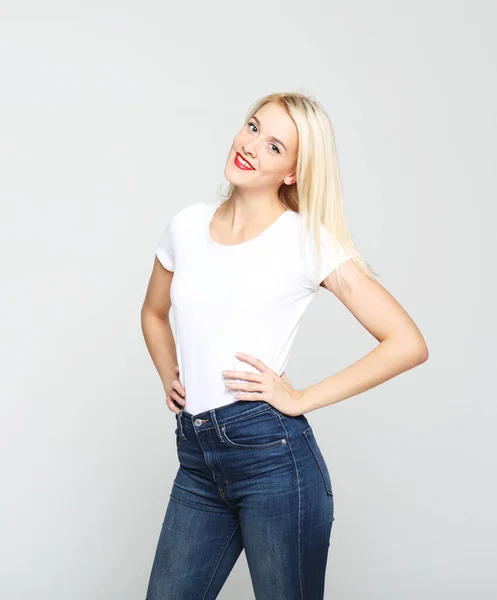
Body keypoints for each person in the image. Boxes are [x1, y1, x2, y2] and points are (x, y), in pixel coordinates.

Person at [141, 92, 429, 599]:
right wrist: (171, 374)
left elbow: (406, 342)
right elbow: (153, 312)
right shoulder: (186, 226)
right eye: (252, 127)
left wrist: (300, 398)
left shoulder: (307, 241)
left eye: (274, 147)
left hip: (272, 458)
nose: (250, 146)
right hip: (197, 455)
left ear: (293, 173)